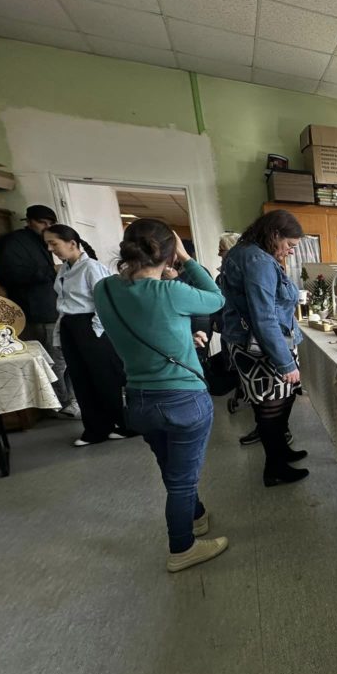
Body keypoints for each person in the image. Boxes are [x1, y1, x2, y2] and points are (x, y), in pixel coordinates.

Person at [94, 219, 228, 573]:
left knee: (170, 465)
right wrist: (186, 260)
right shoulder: (171, 291)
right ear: (169, 254)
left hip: (138, 399)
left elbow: (149, 322)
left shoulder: (104, 290)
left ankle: (196, 516)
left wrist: (185, 336)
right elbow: (216, 298)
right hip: (183, 399)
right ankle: (182, 548)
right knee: (182, 480)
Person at [220, 210, 308, 487]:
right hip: (261, 348)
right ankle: (275, 468)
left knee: (279, 401)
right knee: (271, 406)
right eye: (290, 245)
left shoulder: (247, 252)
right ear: (274, 235)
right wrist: (286, 363)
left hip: (257, 344)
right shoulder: (257, 260)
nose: (291, 252)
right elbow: (264, 317)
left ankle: (281, 452)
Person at [43, 224, 129, 447]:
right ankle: (96, 429)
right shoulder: (64, 269)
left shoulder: (91, 267)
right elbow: (64, 304)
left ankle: (125, 424)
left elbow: (105, 301)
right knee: (81, 379)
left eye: (54, 243)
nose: (51, 248)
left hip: (90, 325)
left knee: (105, 378)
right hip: (70, 326)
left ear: (72, 243)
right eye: (48, 244)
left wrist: (96, 330)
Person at [0, 204, 77, 416]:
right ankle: (61, 405)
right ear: (29, 221)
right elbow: (10, 275)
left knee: (65, 359)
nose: (46, 227)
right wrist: (51, 272)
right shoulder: (15, 242)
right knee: (54, 361)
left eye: (50, 224)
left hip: (54, 308)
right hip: (37, 310)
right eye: (42, 223)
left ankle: (70, 399)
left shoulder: (41, 242)